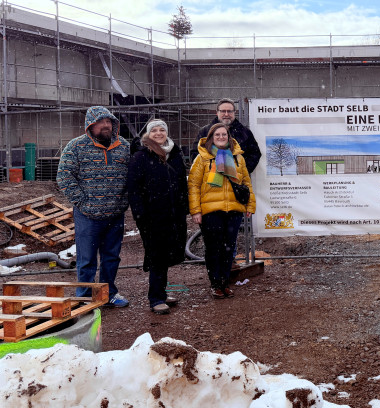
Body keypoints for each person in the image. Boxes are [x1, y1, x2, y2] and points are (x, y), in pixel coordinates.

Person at [57, 106, 131, 307]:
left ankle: (109, 294)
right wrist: (82, 202)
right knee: (87, 259)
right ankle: (85, 297)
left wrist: (124, 201)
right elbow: (64, 176)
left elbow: (132, 175)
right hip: (87, 216)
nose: (106, 125)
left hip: (115, 214)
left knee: (111, 258)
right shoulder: (76, 147)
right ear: (91, 124)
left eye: (109, 122)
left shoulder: (123, 146)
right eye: (101, 122)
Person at [126, 119, 189, 315]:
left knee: (168, 253)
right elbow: (134, 188)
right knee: (157, 255)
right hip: (152, 216)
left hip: (173, 214)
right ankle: (155, 298)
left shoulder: (175, 154)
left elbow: (181, 183)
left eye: (162, 130)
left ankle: (161, 292)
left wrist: (183, 208)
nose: (159, 133)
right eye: (154, 130)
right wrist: (140, 214)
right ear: (148, 134)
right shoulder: (141, 156)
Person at [188, 123, 255, 299]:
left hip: (233, 210)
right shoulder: (202, 158)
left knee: (228, 248)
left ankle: (225, 283)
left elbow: (246, 182)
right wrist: (195, 211)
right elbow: (193, 185)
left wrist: (250, 205)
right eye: (217, 135)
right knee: (213, 249)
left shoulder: (238, 158)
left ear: (228, 136)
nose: (221, 137)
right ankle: (215, 283)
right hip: (211, 211)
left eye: (224, 134)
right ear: (211, 138)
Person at [194, 98, 262, 174]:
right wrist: (208, 170)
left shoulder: (244, 132)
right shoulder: (205, 132)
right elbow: (195, 153)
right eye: (223, 111)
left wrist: (242, 171)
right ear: (217, 112)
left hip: (237, 182)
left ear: (234, 112)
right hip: (210, 180)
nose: (226, 114)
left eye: (229, 111)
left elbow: (255, 153)